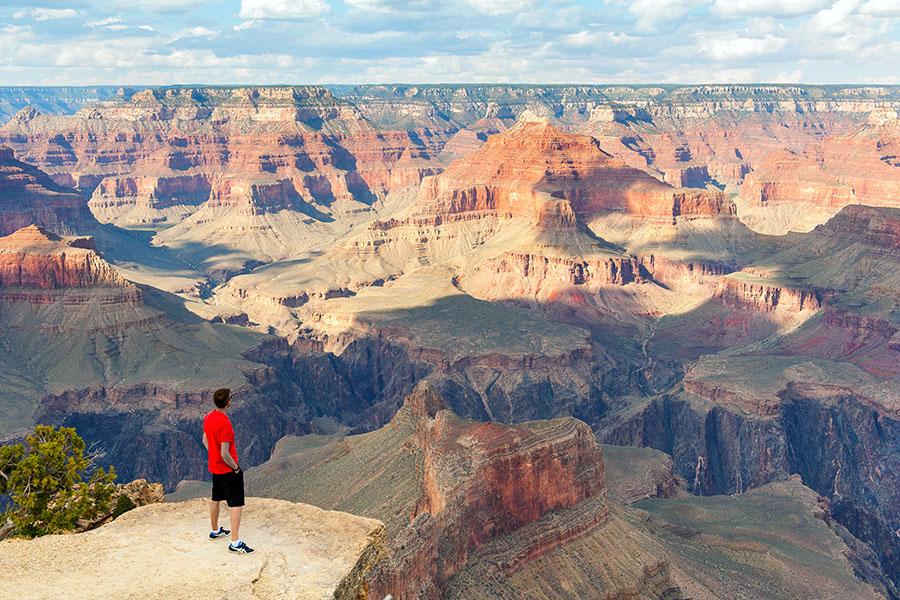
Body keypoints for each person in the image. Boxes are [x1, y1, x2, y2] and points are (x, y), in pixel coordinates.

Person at [202, 388, 254, 554]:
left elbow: (204, 439)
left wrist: (213, 454)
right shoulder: (225, 423)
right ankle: (235, 542)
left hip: (215, 467)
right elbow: (225, 453)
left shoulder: (209, 416)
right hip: (227, 470)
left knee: (216, 497)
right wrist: (236, 468)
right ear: (228, 402)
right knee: (236, 503)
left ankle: (215, 530)